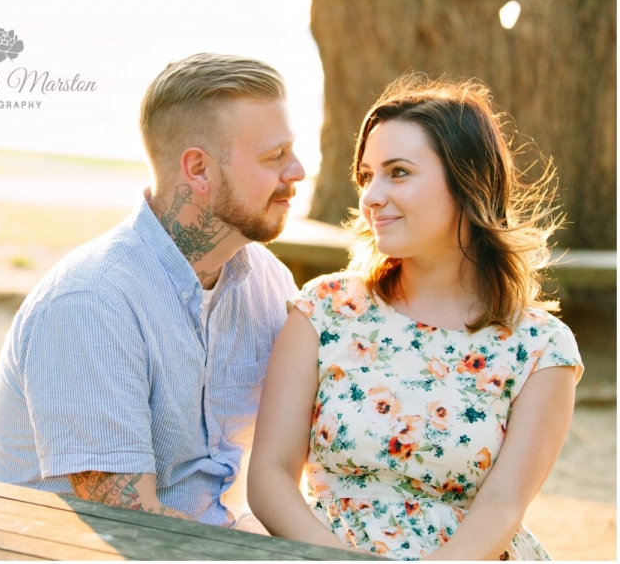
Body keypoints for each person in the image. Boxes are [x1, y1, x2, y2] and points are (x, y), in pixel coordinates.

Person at [248, 74, 583, 559]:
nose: (371, 196)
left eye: (398, 172)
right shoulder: (324, 310)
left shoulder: (540, 347)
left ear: (468, 181)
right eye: (366, 175)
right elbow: (271, 475)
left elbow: (502, 506)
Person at [0, 52, 305, 528]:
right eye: (273, 156)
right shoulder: (92, 303)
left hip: (211, 539)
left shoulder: (269, 283)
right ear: (198, 169)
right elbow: (127, 523)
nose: (297, 171)